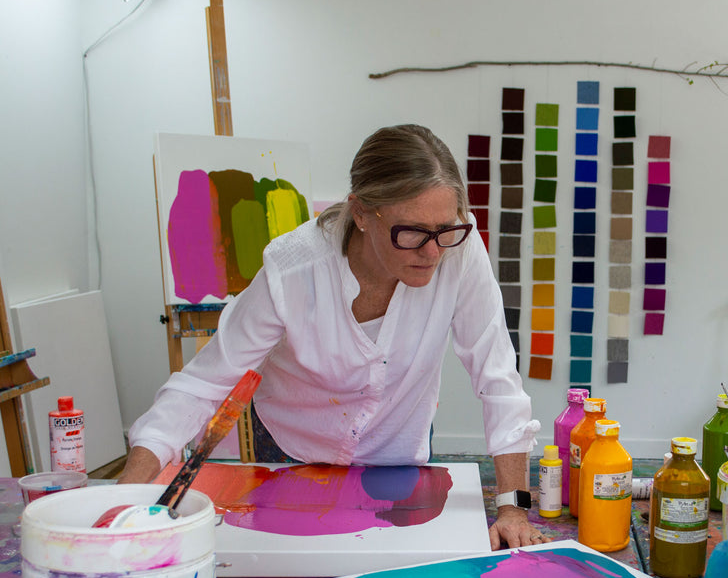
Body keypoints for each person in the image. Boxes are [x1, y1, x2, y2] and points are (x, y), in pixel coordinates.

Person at [119, 124, 545, 549]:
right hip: (292, 452)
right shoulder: (294, 269)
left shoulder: (459, 249)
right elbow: (202, 384)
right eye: (411, 232)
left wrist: (512, 507)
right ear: (360, 213)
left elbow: (497, 377)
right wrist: (126, 494)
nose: (433, 252)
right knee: (285, 568)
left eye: (445, 229)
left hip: (396, 455)